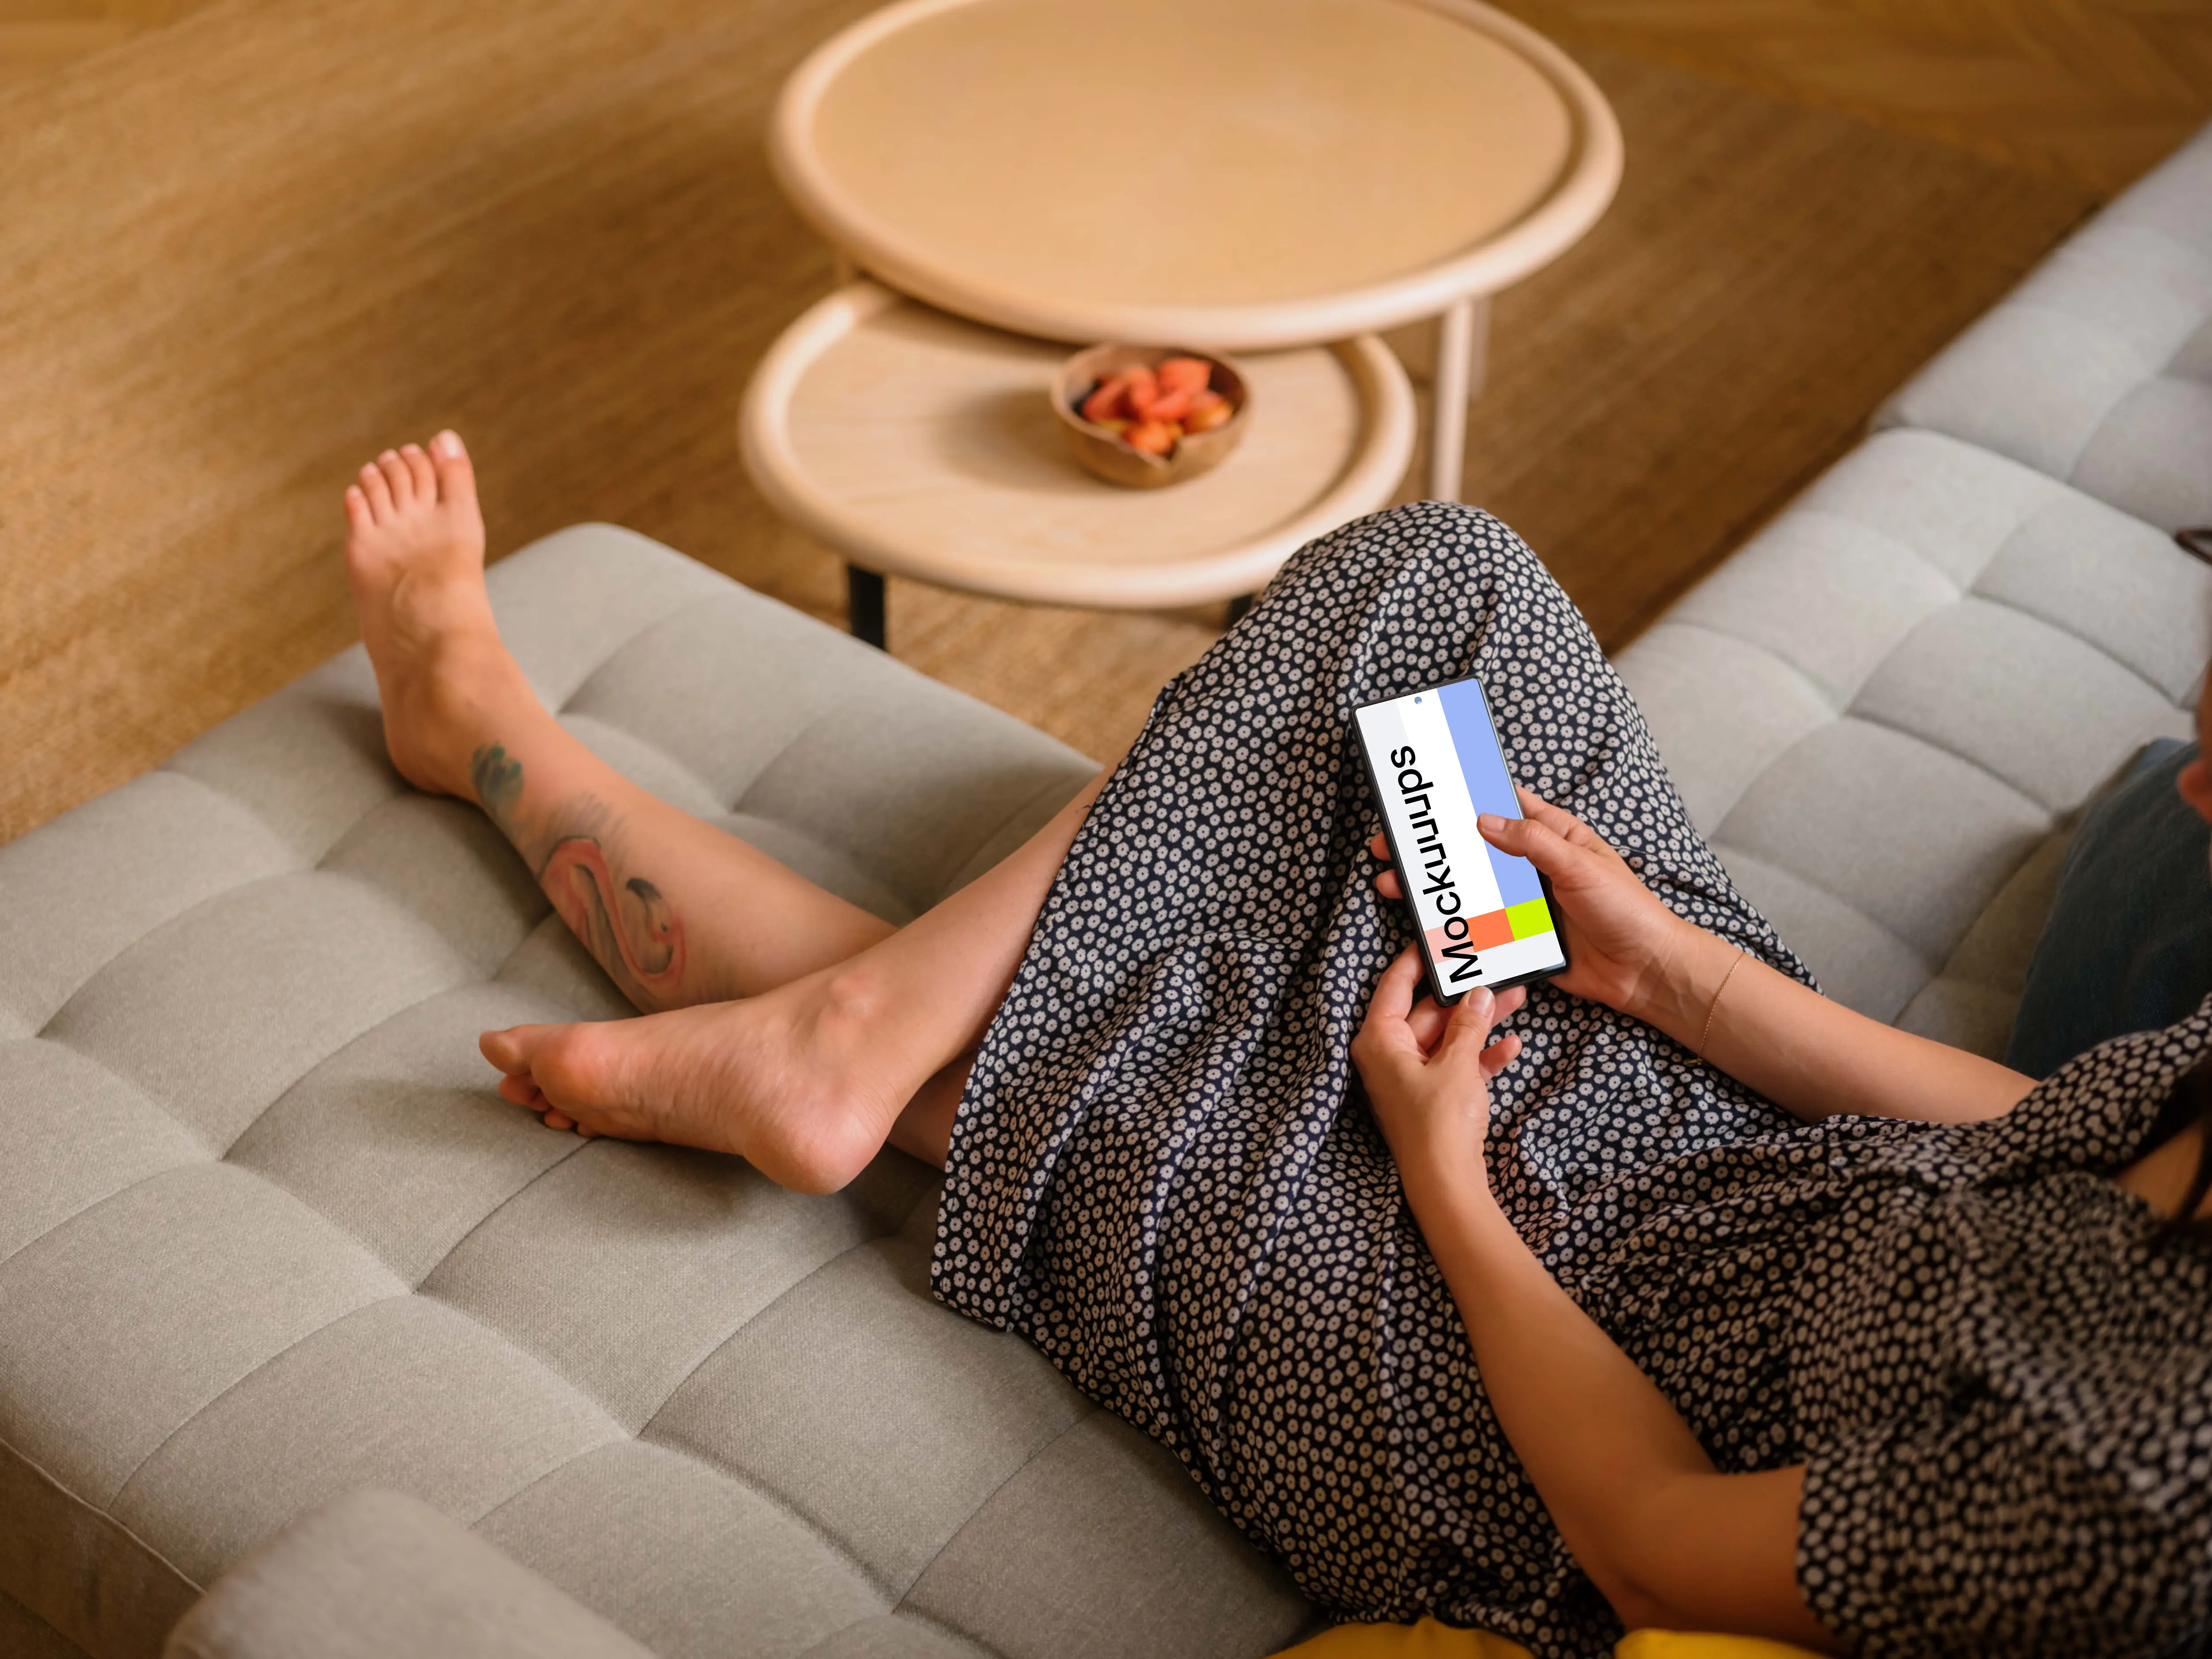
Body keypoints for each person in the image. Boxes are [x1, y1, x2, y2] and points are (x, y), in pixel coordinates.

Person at [346, 432, 2212, 1658]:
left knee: (1101, 1038)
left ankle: (494, 739)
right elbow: (2041, 1124)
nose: (2189, 776)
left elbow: (1651, 1542)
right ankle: (846, 1036)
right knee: (1436, 582)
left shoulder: (2136, 1493)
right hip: (1750, 1148)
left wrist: (1446, 1184)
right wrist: (1669, 978)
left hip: (1544, 1414)